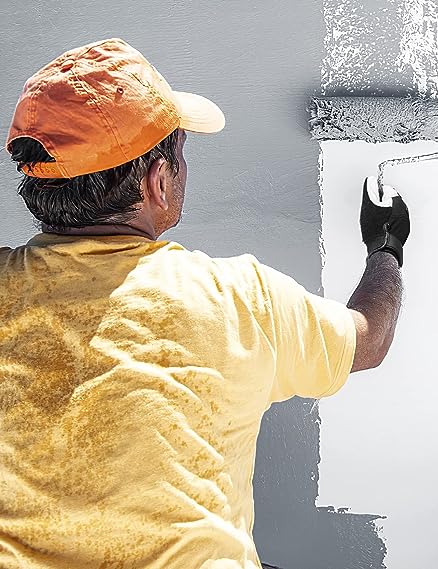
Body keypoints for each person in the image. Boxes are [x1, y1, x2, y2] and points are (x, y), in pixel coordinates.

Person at [0, 38, 408, 569]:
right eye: (179, 156)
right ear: (157, 181)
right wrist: (386, 249)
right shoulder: (235, 299)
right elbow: (367, 339)